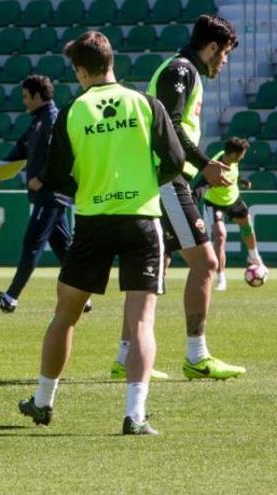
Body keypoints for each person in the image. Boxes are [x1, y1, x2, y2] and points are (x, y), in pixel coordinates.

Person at [18, 31, 185, 435]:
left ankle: (42, 401)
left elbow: (57, 175)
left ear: (79, 69)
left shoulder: (73, 111)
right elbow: (176, 161)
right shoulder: (146, 104)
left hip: (93, 221)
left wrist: (89, 189)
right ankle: (135, 414)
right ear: (112, 60)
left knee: (66, 315)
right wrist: (145, 182)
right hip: (143, 220)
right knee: (142, 322)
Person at [111, 14, 246, 381]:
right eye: (226, 53)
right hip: (169, 179)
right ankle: (196, 355)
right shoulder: (181, 70)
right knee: (205, 264)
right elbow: (169, 124)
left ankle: (125, 359)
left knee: (155, 269)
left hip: (165, 179)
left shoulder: (183, 71)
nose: (225, 61)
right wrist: (204, 164)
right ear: (213, 47)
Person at [0, 75, 91, 314]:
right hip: (51, 196)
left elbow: (60, 157)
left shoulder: (53, 120)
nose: (24, 101)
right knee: (64, 250)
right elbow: (20, 149)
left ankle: (10, 297)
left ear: (38, 96)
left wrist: (41, 178)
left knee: (32, 244)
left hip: (50, 194)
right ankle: (84, 296)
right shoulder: (39, 121)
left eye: (26, 96)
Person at [194, 137, 267, 290]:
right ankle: (221, 278)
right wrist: (192, 201)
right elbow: (201, 186)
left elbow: (233, 173)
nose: (243, 156)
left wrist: (242, 180)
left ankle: (255, 258)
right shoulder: (214, 167)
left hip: (233, 199)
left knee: (247, 226)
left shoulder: (230, 157)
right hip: (213, 203)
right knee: (220, 236)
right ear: (234, 155)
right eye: (242, 154)